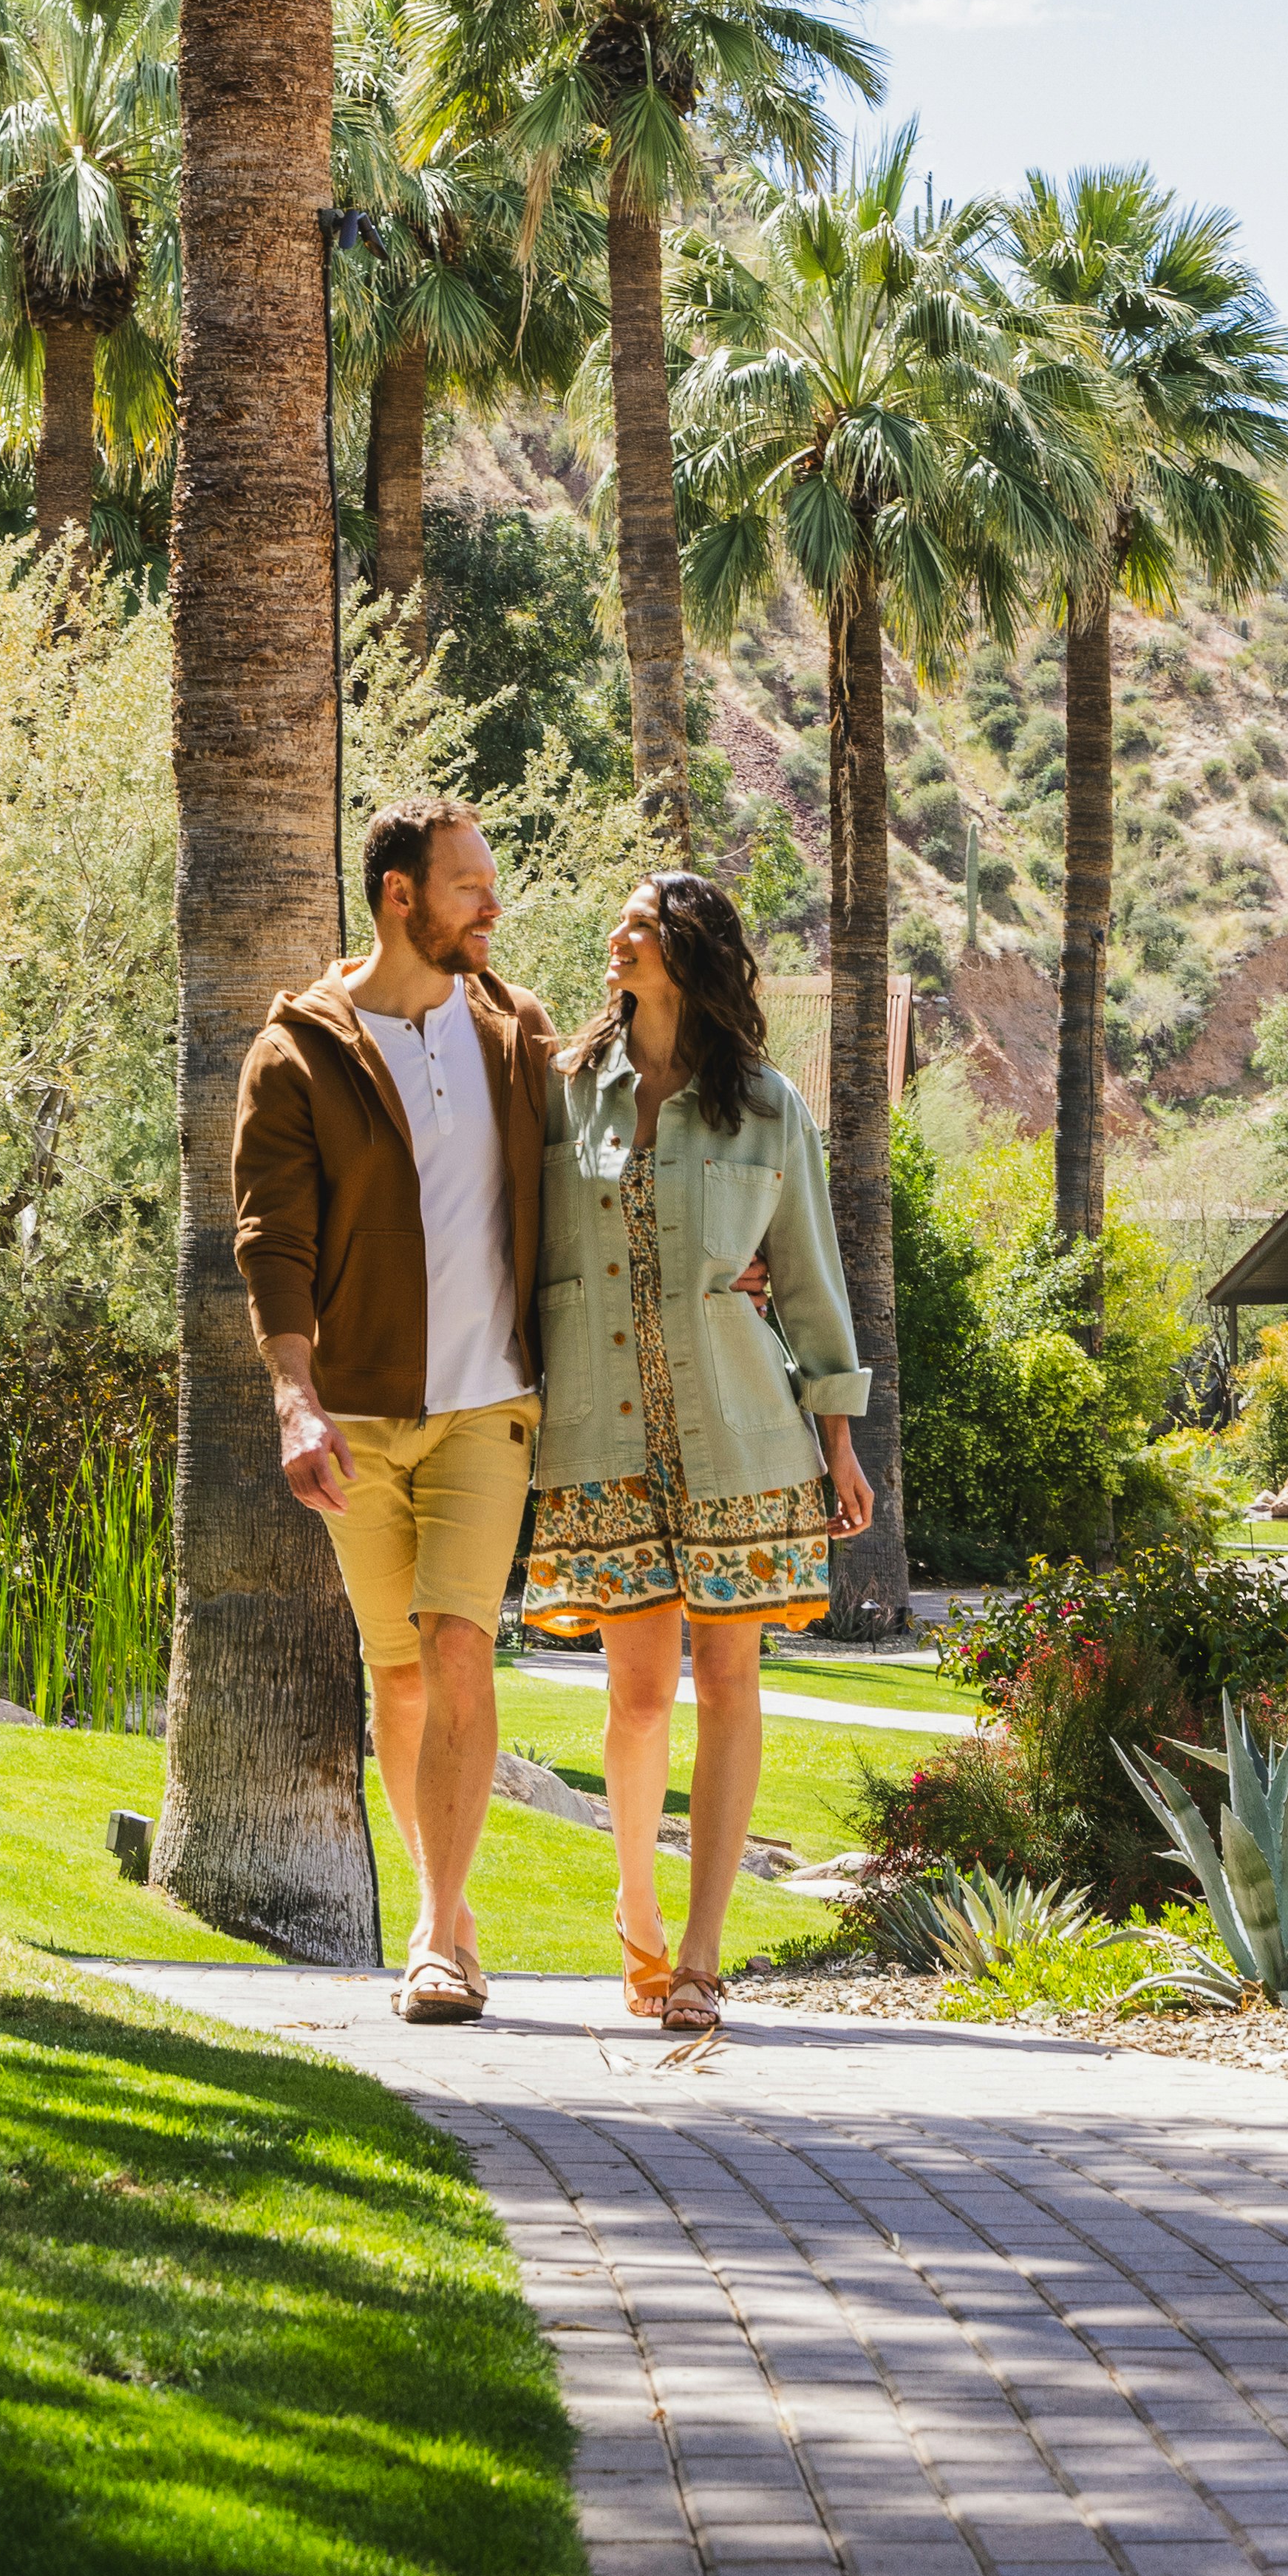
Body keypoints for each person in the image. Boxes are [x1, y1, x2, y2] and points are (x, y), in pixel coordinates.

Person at [514, 868, 873, 2036]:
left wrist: (841, 1441)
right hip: (601, 1431)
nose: (617, 935)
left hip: (744, 1438)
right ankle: (638, 1918)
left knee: (729, 1682)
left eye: (642, 923)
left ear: (691, 951)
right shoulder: (567, 1094)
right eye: (618, 917)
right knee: (630, 1692)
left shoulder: (769, 1108)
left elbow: (811, 1279)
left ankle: (708, 1955)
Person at [232, 797, 559, 2024]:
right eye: (467, 884)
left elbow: (618, 1152)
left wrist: (730, 1255)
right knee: (401, 1669)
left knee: (461, 1638)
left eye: (489, 881)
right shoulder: (299, 1051)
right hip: (359, 1416)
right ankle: (454, 1906)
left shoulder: (514, 1033)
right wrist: (293, 1401)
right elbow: (274, 1238)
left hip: (490, 1405)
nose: (490, 903)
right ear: (399, 896)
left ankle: (428, 1931)